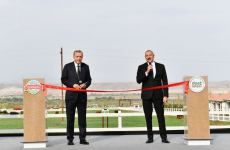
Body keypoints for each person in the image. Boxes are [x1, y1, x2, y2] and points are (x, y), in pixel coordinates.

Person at [136, 50, 170, 144]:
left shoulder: (161, 66)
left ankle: (164, 137)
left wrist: (166, 95)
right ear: (145, 57)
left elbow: (165, 81)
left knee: (160, 117)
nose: (148, 57)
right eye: (146, 55)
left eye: (150, 55)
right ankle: (150, 137)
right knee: (148, 117)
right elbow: (138, 80)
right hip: (146, 96)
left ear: (153, 56)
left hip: (158, 95)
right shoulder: (141, 67)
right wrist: (146, 72)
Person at [61, 50, 92, 145]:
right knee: (70, 118)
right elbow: (63, 79)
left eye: (80, 57)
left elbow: (89, 80)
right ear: (73, 57)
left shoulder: (86, 67)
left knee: (82, 119)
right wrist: (72, 85)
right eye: (77, 56)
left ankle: (83, 139)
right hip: (70, 97)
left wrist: (85, 85)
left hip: (82, 97)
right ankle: (70, 139)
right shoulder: (67, 66)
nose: (79, 58)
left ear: (82, 57)